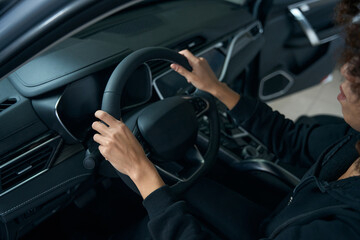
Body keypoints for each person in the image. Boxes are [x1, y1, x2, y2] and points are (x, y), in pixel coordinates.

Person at [91, 0, 360, 238]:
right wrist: (216, 88)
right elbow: (292, 140)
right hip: (276, 220)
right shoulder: (354, 139)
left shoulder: (344, 228)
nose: (347, 69)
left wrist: (141, 171)